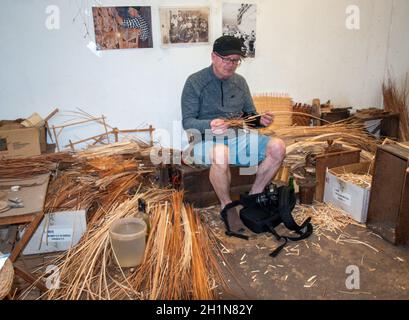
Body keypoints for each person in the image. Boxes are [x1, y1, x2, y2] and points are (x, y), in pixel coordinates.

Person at [181, 35, 286, 235]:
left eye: (236, 60)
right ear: (213, 57)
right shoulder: (195, 82)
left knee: (278, 147)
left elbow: (249, 117)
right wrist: (210, 125)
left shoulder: (240, 82)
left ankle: (254, 196)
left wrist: (259, 120)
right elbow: (188, 122)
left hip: (238, 139)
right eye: (226, 59)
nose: (231, 65)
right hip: (204, 141)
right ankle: (226, 206)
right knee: (220, 152)